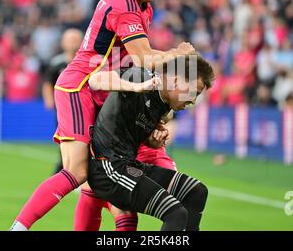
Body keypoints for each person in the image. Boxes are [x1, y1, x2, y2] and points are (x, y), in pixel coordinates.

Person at [10, 0, 195, 231]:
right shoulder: (124, 8)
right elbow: (144, 58)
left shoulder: (141, 5)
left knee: (102, 178)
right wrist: (177, 53)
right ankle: (18, 228)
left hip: (106, 91)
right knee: (77, 171)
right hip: (81, 85)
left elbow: (134, 62)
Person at [87, 54, 215, 230]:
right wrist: (136, 86)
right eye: (194, 92)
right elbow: (95, 80)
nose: (193, 100)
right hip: (107, 167)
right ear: (176, 81)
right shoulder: (144, 77)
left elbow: (135, 129)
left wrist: (152, 140)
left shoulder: (164, 105)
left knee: (197, 192)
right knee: (175, 213)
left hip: (129, 164)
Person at [42, 28, 83, 174]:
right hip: (64, 110)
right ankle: (64, 170)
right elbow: (48, 82)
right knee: (65, 140)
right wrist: (48, 100)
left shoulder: (89, 61)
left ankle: (69, 172)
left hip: (85, 109)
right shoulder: (56, 63)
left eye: (76, 39)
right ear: (63, 43)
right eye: (70, 39)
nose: (74, 43)